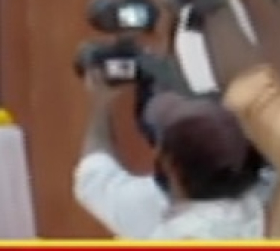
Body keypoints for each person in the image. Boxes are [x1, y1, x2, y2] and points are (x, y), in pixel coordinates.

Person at [74, 75, 266, 239]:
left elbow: (93, 173)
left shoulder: (149, 213)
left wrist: (101, 101)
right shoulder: (265, 206)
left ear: (170, 166)